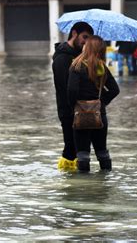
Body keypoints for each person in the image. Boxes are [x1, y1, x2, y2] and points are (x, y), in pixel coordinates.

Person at [67, 35, 120, 172]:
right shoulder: (102, 67)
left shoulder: (76, 66)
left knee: (83, 154)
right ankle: (105, 181)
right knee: (102, 151)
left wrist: (73, 107)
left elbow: (72, 91)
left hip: (80, 113)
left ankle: (86, 187)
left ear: (87, 48)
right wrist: (101, 103)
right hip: (99, 114)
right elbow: (115, 90)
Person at [52, 21, 94, 171]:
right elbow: (65, 87)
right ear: (74, 33)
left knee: (79, 149)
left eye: (89, 39)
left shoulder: (79, 56)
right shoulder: (62, 58)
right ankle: (68, 181)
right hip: (68, 111)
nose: (86, 42)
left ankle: (74, 180)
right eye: (84, 37)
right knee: (70, 149)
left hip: (81, 109)